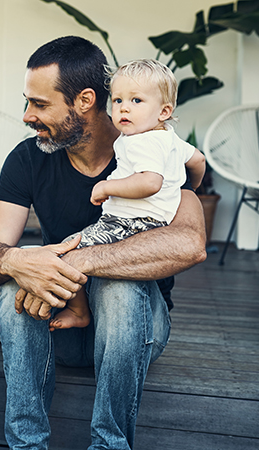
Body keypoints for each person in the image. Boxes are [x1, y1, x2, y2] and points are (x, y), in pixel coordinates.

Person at [0, 36, 206, 449]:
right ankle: (27, 445)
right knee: (17, 279)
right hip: (58, 325)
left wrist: (82, 260)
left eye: (40, 104)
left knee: (117, 285)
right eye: (27, 102)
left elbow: (189, 244)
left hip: (135, 331)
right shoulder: (28, 159)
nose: (27, 116)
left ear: (83, 100)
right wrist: (16, 263)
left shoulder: (153, 148)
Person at [48, 59, 206, 331]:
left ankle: (79, 311)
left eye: (136, 100)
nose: (124, 107)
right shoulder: (169, 138)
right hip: (153, 226)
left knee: (66, 251)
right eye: (118, 100)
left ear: (164, 110)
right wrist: (191, 186)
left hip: (129, 223)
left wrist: (106, 187)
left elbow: (150, 183)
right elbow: (199, 161)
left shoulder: (143, 142)